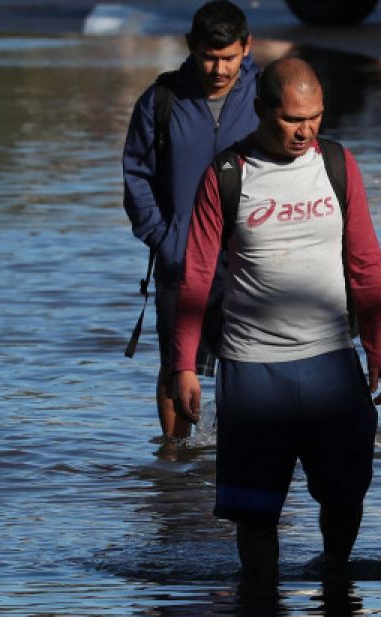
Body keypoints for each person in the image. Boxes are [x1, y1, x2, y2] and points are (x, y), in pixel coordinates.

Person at [173, 57, 381, 588]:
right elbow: (197, 277)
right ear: (260, 110)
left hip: (330, 361)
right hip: (253, 369)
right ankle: (260, 615)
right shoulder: (227, 175)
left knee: (346, 494)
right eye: (293, 118)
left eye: (315, 116)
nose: (306, 130)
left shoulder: (338, 165)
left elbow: (365, 263)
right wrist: (184, 365)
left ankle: (335, 583)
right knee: (255, 511)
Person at [122, 1, 258, 439]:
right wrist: (167, 242)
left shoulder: (266, 97)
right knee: (176, 369)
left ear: (246, 48)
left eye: (229, 58)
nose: (219, 68)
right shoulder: (159, 100)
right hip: (180, 262)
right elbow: (137, 179)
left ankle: (248, 465)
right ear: (190, 47)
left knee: (254, 371)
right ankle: (176, 472)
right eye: (209, 56)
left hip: (251, 262)